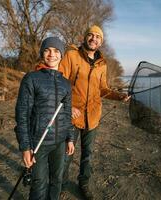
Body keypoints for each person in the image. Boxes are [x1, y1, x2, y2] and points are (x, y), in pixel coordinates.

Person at [59, 25, 129, 199]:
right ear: (85, 37)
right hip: (72, 117)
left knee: (87, 155)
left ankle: (84, 184)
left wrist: (119, 96)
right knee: (66, 155)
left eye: (98, 37)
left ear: (101, 42)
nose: (93, 38)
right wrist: (68, 107)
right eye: (90, 35)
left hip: (93, 117)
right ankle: (60, 186)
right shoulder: (71, 55)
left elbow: (103, 89)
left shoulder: (102, 64)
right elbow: (59, 82)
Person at [14, 37, 75, 200]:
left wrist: (70, 138)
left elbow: (67, 113)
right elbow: (22, 114)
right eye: (47, 50)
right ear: (42, 53)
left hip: (59, 143)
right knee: (39, 184)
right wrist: (25, 147)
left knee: (57, 181)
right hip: (38, 143)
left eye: (56, 51)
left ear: (61, 55)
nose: (51, 54)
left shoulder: (66, 84)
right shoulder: (31, 78)